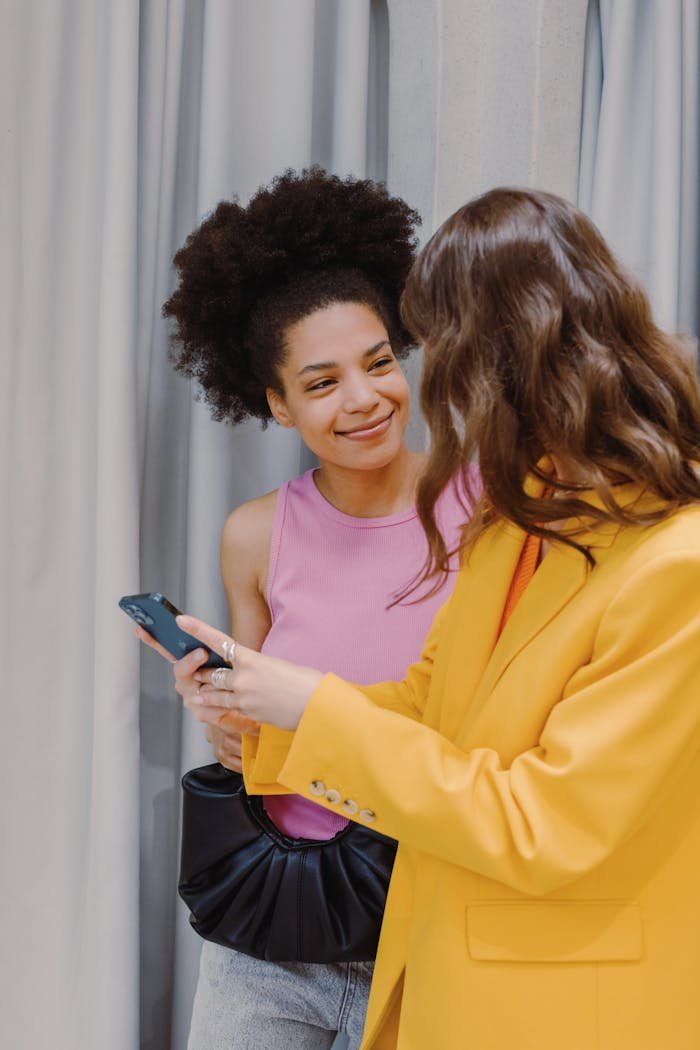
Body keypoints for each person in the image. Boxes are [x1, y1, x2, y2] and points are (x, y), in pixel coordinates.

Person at [179, 187, 700, 1050]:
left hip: (560, 1003)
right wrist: (271, 708)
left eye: (425, 360)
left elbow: (544, 822)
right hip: (434, 964)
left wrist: (311, 708)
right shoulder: (526, 515)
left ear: (506, 365)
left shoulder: (673, 566)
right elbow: (432, 702)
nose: (424, 397)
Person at [139, 168, 472, 1050]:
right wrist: (218, 710)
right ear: (276, 404)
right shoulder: (256, 535)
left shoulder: (490, 510)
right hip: (271, 933)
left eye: (378, 363)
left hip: (431, 924)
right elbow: (253, 742)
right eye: (320, 384)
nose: (364, 400)